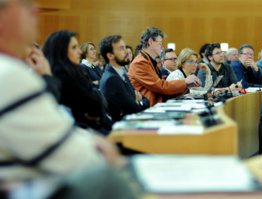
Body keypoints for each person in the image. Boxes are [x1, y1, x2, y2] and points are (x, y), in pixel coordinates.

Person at [0, 1, 134, 197]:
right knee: (110, 177)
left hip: (44, 166)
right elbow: (70, 157)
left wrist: (88, 138)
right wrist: (107, 155)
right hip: (30, 186)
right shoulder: (10, 75)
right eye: (25, 4)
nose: (35, 10)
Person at [43, 30, 113, 135]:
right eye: (74, 47)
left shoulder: (73, 72)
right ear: (61, 50)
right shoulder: (64, 76)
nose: (80, 52)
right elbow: (95, 106)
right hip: (85, 132)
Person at [127, 27, 201, 106]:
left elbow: (162, 86)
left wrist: (186, 85)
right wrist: (185, 81)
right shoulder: (140, 63)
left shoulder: (148, 60)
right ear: (151, 42)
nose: (162, 47)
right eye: (160, 43)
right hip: (148, 108)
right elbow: (160, 86)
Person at [99, 35, 150, 121]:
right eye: (121, 49)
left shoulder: (120, 73)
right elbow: (135, 110)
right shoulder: (111, 79)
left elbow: (146, 100)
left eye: (125, 47)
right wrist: (138, 103)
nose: (127, 52)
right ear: (110, 56)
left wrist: (137, 102)